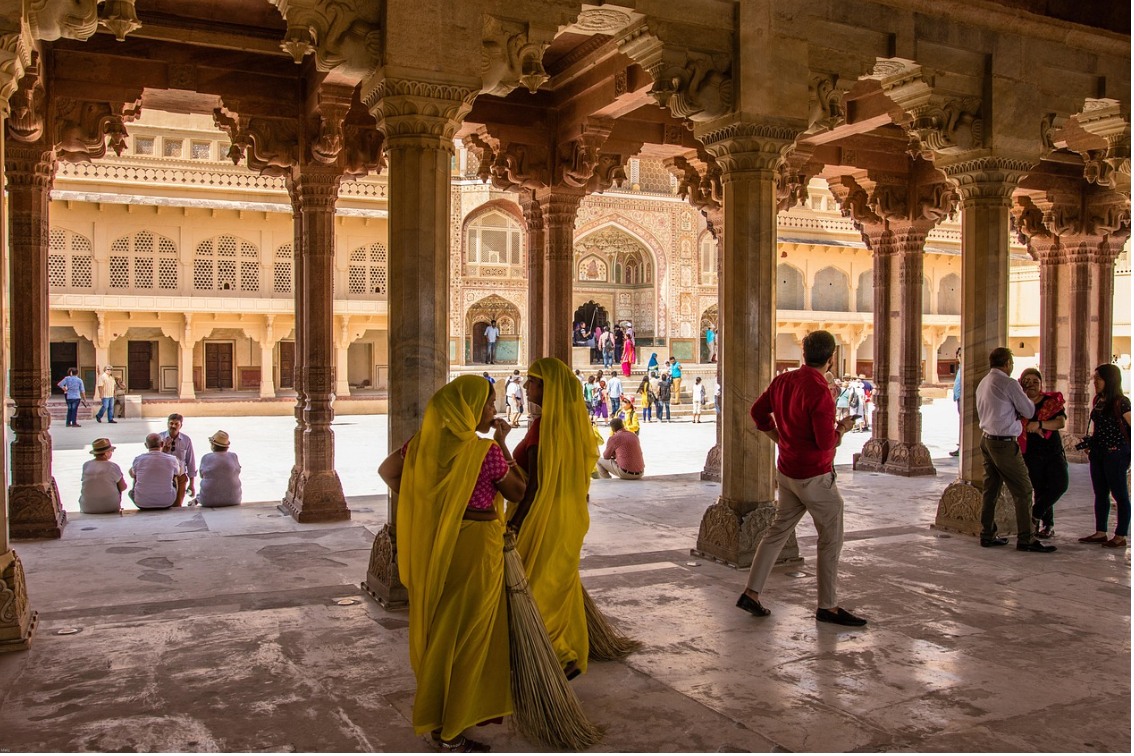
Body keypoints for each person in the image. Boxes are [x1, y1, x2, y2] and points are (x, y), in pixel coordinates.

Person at [377, 375, 526, 751]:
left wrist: (432, 501)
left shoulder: (423, 445)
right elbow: (517, 491)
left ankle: (436, 714)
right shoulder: (484, 452)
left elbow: (388, 472)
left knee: (442, 628)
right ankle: (451, 729)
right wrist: (502, 443)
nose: (493, 411)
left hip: (438, 544)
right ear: (469, 410)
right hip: (475, 547)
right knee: (469, 635)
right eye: (488, 404)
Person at [737, 330, 866, 626]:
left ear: (804, 353)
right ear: (831, 359)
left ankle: (752, 593)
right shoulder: (819, 390)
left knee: (777, 532)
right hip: (815, 477)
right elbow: (825, 442)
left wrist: (779, 438)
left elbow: (758, 412)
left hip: (788, 471)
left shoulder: (784, 380)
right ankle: (828, 607)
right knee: (830, 540)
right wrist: (843, 428)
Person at [505, 357, 595, 681]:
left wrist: (515, 524)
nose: (528, 387)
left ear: (548, 387)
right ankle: (562, 649)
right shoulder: (573, 423)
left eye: (533, 381)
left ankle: (556, 654)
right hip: (569, 515)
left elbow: (535, 484)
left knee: (538, 586)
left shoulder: (545, 427)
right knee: (559, 583)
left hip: (544, 515)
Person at [975, 347, 1055, 553]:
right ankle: (1027, 538)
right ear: (1008, 363)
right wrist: (1023, 398)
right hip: (1004, 443)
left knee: (991, 489)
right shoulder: (1008, 383)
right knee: (1024, 490)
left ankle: (987, 534)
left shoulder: (984, 382)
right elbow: (1028, 410)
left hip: (987, 440)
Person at [1077, 363, 1131, 549]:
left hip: (1115, 454)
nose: (1095, 382)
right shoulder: (1098, 400)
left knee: (1120, 494)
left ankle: (1120, 535)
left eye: (1099, 379)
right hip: (1099, 453)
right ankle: (1100, 532)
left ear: (1110, 380)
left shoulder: (1121, 402)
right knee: (1100, 493)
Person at [1017, 368, 1067, 539]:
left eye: (1035, 381)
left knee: (1060, 485)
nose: (1031, 385)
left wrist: (1039, 425)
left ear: (1041, 384)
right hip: (1031, 453)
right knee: (1040, 489)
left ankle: (1035, 513)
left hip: (1052, 452)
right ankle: (1046, 525)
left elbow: (1059, 422)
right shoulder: (1019, 404)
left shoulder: (1050, 402)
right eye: (1027, 382)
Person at [129, 433, 185, 510]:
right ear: (162, 444)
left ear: (146, 445)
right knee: (175, 475)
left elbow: (132, 474)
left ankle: (142, 496)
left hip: (142, 503)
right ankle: (176, 504)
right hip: (167, 502)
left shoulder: (138, 459)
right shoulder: (172, 459)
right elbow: (179, 473)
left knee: (136, 475)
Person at [79, 437, 126, 514]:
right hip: (110, 507)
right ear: (106, 453)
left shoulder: (86, 465)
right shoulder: (113, 466)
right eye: (111, 451)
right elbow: (123, 487)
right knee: (117, 483)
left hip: (87, 507)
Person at [196, 430, 242, 508]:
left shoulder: (206, 457)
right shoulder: (233, 456)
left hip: (208, 501)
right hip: (234, 500)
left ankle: (196, 499)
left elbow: (202, 475)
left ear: (213, 445)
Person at [160, 414, 197, 503]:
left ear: (181, 425)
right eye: (171, 423)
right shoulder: (159, 438)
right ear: (167, 424)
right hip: (164, 476)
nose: (173, 426)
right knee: (163, 503)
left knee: (178, 504)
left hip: (181, 477)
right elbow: (154, 457)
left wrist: (191, 484)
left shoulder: (186, 440)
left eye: (176, 424)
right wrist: (163, 450)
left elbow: (190, 461)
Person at [951, 348, 962, 457]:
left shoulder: (966, 369)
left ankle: (962, 448)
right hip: (959, 399)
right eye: (959, 354)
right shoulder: (960, 368)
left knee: (964, 425)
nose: (961, 356)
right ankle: (961, 447)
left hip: (964, 399)